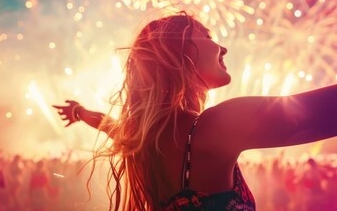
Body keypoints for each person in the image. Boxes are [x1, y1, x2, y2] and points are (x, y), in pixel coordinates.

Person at [53, 12, 337, 211]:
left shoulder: (148, 136)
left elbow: (109, 125)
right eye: (207, 35)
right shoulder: (217, 125)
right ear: (180, 49)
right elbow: (325, 112)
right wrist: (80, 112)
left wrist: (79, 112)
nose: (223, 48)